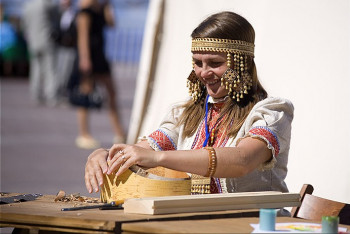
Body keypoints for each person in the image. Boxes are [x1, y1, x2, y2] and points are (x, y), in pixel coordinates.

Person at [84, 11, 294, 196]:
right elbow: (142, 152)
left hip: (255, 224)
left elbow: (243, 160)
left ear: (242, 62)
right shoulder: (184, 114)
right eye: (197, 63)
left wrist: (158, 158)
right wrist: (105, 155)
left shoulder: (272, 112)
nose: (203, 72)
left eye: (215, 63)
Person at [72, 0, 125, 149]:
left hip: (100, 56)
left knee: (111, 92)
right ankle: (83, 134)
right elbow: (82, 39)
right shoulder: (85, 12)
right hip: (89, 57)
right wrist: (85, 59)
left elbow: (111, 24)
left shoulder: (100, 9)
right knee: (85, 94)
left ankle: (119, 131)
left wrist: (108, 6)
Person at [22, 0, 58, 106]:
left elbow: (24, 24)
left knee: (35, 68)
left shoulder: (27, 6)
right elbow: (56, 20)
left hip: (33, 42)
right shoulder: (47, 5)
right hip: (46, 40)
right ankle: (51, 95)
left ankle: (36, 94)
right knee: (50, 69)